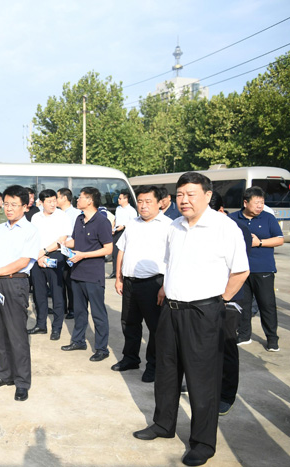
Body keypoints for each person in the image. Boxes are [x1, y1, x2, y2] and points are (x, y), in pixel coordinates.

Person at [133, 172, 249, 467]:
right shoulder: (174, 226)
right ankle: (163, 424)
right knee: (167, 373)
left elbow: (240, 272)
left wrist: (218, 302)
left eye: (191, 194)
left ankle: (202, 442)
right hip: (171, 311)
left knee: (202, 381)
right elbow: (171, 262)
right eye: (180, 194)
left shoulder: (225, 227)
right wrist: (164, 287)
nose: (184, 200)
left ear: (208, 196)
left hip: (204, 312)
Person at [0, 185, 40, 402]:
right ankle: (4, 374)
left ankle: (22, 382)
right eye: (6, 204)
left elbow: (23, 261)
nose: (8, 209)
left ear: (25, 207)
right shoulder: (0, 228)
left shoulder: (30, 230)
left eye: (13, 205)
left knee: (17, 335)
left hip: (15, 284)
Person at [112, 186, 171, 382]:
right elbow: (121, 250)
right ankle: (130, 358)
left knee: (155, 328)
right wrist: (119, 278)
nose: (143, 206)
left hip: (153, 284)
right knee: (129, 322)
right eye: (140, 201)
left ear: (160, 203)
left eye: (148, 201)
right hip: (130, 283)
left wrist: (165, 286)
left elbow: (174, 259)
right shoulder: (132, 223)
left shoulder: (169, 226)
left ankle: (153, 365)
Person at [209, 191, 252, 416]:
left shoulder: (235, 230)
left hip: (228, 299)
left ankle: (226, 395)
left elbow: (239, 268)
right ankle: (206, 386)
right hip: (203, 298)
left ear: (220, 210)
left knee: (226, 348)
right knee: (203, 348)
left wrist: (224, 298)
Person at [59, 187, 113, 362]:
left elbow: (108, 248)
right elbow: (77, 241)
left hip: (93, 275)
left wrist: (83, 255)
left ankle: (101, 348)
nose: (77, 199)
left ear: (90, 200)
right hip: (77, 273)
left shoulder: (101, 222)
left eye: (81, 197)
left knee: (98, 313)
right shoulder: (79, 218)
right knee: (79, 311)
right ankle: (78, 341)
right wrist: (64, 244)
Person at [229, 186, 283, 351]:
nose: (260, 206)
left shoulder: (268, 218)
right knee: (243, 305)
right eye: (256, 202)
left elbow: (280, 239)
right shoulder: (233, 219)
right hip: (240, 269)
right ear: (245, 203)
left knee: (267, 304)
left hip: (263, 269)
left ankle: (272, 339)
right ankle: (244, 335)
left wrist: (259, 243)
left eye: (262, 203)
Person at [30, 189, 71, 340]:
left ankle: (57, 327)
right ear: (41, 202)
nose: (53, 204)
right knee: (39, 293)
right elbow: (33, 238)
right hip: (38, 257)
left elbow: (63, 239)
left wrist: (44, 252)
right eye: (49, 201)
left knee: (57, 292)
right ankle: (41, 325)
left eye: (55, 200)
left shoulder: (62, 216)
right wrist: (39, 256)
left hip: (55, 256)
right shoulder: (36, 217)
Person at [56, 188, 80, 320]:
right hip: (58, 251)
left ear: (64, 198)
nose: (56, 200)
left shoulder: (76, 214)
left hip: (70, 252)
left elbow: (76, 235)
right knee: (60, 281)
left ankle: (73, 308)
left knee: (71, 281)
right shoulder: (57, 213)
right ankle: (62, 307)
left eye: (58, 197)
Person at [110, 191, 138, 278]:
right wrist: (113, 227)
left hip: (125, 231)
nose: (118, 200)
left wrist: (124, 226)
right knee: (114, 252)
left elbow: (133, 223)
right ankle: (114, 272)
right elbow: (115, 219)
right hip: (116, 231)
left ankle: (123, 271)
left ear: (126, 199)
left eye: (120, 198)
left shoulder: (131, 210)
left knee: (123, 252)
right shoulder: (118, 208)